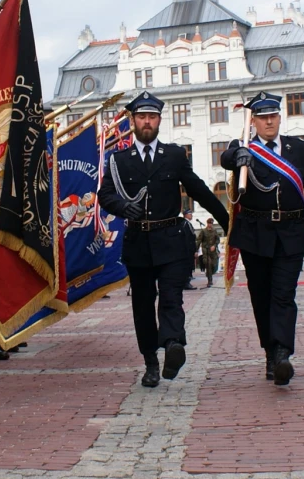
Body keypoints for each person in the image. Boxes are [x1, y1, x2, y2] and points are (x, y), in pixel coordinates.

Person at [98, 92, 231, 388]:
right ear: (133, 120)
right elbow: (104, 195)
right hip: (138, 243)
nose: (147, 122)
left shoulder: (173, 155)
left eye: (152, 117)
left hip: (171, 241)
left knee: (172, 298)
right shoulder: (119, 160)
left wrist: (227, 221)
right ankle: (150, 363)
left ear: (159, 120)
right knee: (143, 305)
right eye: (142, 117)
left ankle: (173, 345)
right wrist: (121, 207)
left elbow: (198, 189)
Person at [218, 92, 304, 385]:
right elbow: (225, 158)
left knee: (284, 295)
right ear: (254, 121)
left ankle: (283, 353)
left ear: (280, 118)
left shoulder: (296, 147)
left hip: (290, 232)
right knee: (262, 297)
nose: (269, 121)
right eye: (262, 117)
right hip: (255, 234)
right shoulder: (244, 146)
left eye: (273, 116)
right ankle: (270, 353)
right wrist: (238, 156)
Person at [196, 218, 222, 288]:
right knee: (209, 265)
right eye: (209, 223)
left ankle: (209, 274)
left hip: (213, 251)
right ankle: (210, 281)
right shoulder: (203, 231)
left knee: (214, 265)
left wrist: (214, 245)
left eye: (211, 223)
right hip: (206, 251)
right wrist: (196, 250)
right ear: (207, 223)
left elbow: (217, 240)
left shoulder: (214, 231)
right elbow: (198, 241)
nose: (210, 225)